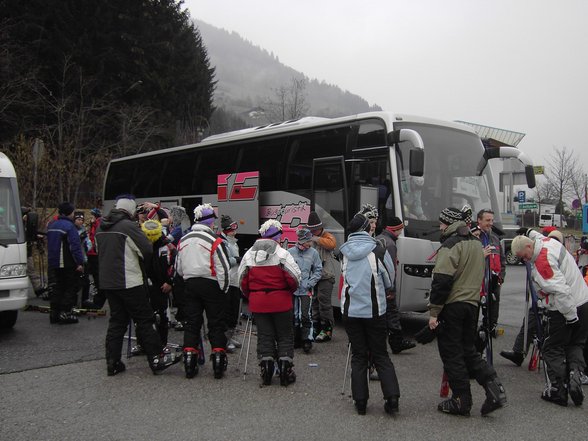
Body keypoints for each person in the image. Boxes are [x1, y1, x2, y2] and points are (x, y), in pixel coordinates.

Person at [429, 207, 506, 416]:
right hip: (472, 304)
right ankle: (494, 388)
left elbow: (442, 280)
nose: (439, 226)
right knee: (469, 351)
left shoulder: (450, 244)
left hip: (454, 304)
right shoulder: (475, 242)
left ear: (448, 223)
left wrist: (434, 312)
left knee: (452, 353)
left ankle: (461, 399)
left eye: (441, 223)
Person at [96, 195, 180, 376]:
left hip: (109, 283)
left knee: (117, 322)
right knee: (145, 319)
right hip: (129, 280)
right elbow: (146, 249)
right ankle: (157, 358)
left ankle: (113, 362)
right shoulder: (128, 227)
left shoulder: (101, 227)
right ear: (130, 210)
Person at [511, 230, 588, 406]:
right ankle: (575, 373)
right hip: (584, 300)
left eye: (524, 256)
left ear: (529, 247)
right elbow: (536, 235)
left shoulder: (542, 262)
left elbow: (561, 291)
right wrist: (528, 231)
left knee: (552, 348)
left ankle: (557, 390)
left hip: (566, 308)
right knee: (576, 343)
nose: (525, 260)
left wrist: (570, 317)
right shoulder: (547, 242)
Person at [340, 212, 400, 415]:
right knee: (381, 355)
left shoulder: (344, 252)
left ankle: (361, 403)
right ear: (367, 229)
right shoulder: (378, 250)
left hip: (350, 311)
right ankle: (392, 400)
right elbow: (389, 279)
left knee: (358, 356)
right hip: (375, 311)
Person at [238, 219, 301, 386]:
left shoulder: (249, 254)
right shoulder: (282, 254)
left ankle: (266, 366)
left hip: (259, 303)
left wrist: (251, 295)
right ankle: (285, 368)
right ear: (277, 236)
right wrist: (288, 291)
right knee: (285, 335)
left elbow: (242, 279)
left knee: (265, 335)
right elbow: (294, 278)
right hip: (281, 301)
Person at [175, 203, 231, 379]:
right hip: (211, 284)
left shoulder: (183, 240)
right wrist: (224, 289)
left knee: (192, 323)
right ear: (209, 222)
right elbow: (224, 268)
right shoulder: (214, 240)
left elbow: (178, 268)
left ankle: (190, 361)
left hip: (190, 284)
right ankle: (218, 362)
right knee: (216, 323)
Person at [376, 216, 416, 354]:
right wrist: (391, 288)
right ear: (396, 229)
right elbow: (390, 268)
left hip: (377, 283)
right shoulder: (391, 244)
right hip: (386, 284)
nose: (400, 233)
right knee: (392, 312)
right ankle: (397, 342)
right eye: (400, 230)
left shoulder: (378, 238)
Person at [46, 202, 84, 324]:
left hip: (53, 261)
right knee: (71, 287)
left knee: (57, 286)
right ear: (68, 213)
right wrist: (79, 262)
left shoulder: (52, 225)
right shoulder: (69, 226)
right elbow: (75, 246)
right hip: (67, 262)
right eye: (73, 212)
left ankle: (54, 313)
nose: (74, 214)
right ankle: (65, 313)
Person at [288, 228, 322, 353]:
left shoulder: (313, 253)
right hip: (293, 289)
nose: (310, 243)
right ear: (302, 241)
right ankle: (295, 338)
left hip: (306, 289)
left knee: (305, 314)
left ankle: (307, 339)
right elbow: (286, 269)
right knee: (294, 315)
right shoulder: (290, 252)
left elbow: (318, 270)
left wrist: (310, 282)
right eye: (308, 241)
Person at [307, 211, 337, 343]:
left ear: (320, 228)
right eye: (311, 230)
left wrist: (316, 239)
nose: (313, 232)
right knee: (314, 302)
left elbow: (332, 245)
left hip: (326, 276)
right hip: (314, 277)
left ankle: (327, 329)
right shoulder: (309, 237)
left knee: (324, 302)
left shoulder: (328, 236)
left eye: (315, 229)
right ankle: (316, 327)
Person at [476, 209, 506, 338]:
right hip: (478, 281)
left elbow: (502, 260)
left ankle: (491, 326)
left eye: (492, 220)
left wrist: (501, 278)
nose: (490, 223)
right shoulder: (474, 237)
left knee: (493, 307)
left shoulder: (495, 238)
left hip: (494, 280)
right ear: (479, 220)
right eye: (487, 220)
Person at [219, 214, 243, 352]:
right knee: (227, 311)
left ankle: (230, 335)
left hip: (236, 280)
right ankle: (225, 340)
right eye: (233, 228)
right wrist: (238, 259)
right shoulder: (222, 242)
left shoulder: (233, 241)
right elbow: (225, 260)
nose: (235, 231)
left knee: (235, 311)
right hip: (227, 280)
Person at [83, 208, 105, 309]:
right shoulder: (93, 224)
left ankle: (98, 298)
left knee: (97, 276)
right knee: (90, 275)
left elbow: (95, 237)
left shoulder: (98, 223)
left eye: (92, 216)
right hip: (90, 253)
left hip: (95, 254)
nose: (90, 218)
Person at [74, 211, 92, 307]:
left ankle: (85, 299)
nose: (80, 222)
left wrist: (86, 245)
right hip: (75, 259)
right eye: (78, 219)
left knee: (86, 281)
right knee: (75, 282)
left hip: (84, 258)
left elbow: (89, 243)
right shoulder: (71, 229)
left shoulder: (83, 230)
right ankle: (74, 301)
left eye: (81, 220)